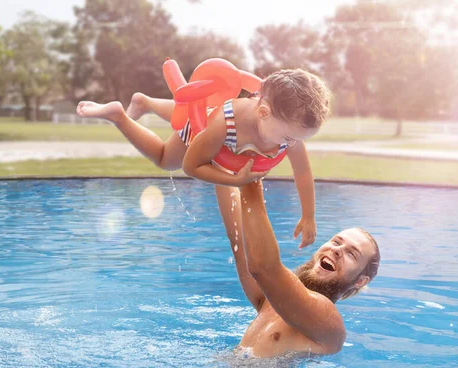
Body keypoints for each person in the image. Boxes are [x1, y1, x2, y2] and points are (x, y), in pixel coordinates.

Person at [76, 68, 331, 248]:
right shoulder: (223, 125)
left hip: (217, 125)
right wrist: (232, 180)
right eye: (289, 138)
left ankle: (145, 101)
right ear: (263, 113)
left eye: (298, 139)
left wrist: (308, 215)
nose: (293, 145)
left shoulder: (290, 131)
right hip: (202, 127)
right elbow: (192, 166)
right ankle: (119, 115)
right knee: (166, 158)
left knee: (182, 111)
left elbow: (303, 172)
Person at [217, 179, 380, 358]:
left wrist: (251, 180)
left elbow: (263, 267)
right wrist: (222, 169)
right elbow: (238, 238)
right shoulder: (272, 298)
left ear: (360, 281)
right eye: (336, 241)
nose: (337, 250)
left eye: (352, 254)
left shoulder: (328, 322)